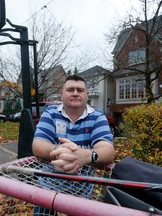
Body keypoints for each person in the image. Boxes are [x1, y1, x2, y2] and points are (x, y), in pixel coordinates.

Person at [32, 74, 115, 215]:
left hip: (82, 190)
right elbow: (38, 144)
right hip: (48, 186)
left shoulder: (97, 117)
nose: (75, 93)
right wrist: (60, 151)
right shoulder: (50, 113)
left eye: (80, 90)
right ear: (62, 94)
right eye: (70, 90)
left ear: (87, 95)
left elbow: (108, 150)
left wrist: (87, 156)